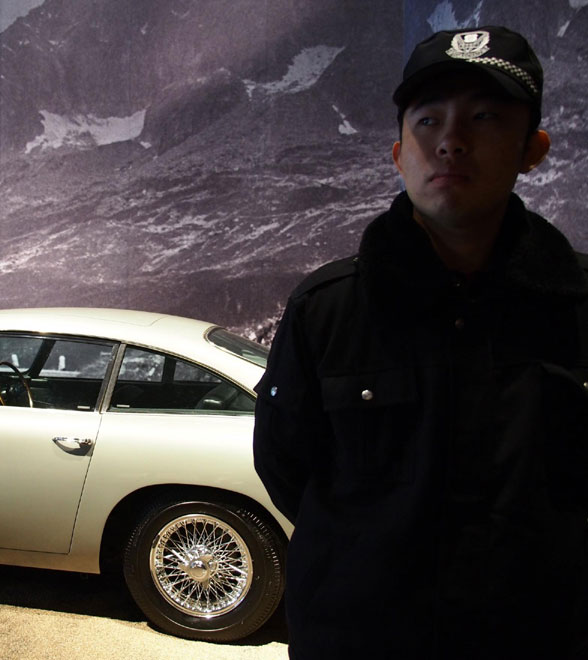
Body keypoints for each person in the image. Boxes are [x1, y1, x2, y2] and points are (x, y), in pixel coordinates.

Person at [254, 26, 588, 660]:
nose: (451, 141)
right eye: (428, 120)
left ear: (532, 149)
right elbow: (286, 467)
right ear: (399, 152)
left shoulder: (577, 306)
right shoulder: (326, 310)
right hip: (363, 639)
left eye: (484, 117)